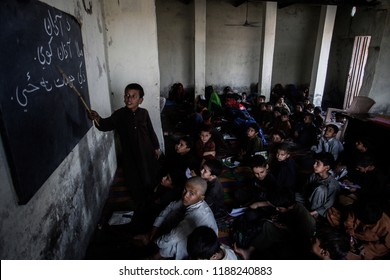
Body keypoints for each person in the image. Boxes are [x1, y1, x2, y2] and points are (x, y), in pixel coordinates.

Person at [88, 83, 161, 206]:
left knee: (149, 174)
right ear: (123, 97)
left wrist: (156, 147)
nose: (129, 99)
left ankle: (151, 197)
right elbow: (105, 125)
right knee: (133, 178)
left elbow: (150, 131)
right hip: (129, 154)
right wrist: (97, 118)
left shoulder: (144, 113)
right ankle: (139, 202)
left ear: (140, 100)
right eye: (127, 95)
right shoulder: (119, 114)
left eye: (133, 96)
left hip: (146, 151)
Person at [135, 176, 218, 260]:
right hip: (186, 233)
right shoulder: (190, 200)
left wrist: (153, 242)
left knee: (171, 244)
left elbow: (173, 237)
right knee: (172, 214)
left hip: (201, 246)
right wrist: (154, 229)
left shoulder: (196, 215)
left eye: (191, 193)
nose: (185, 195)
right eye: (185, 190)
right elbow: (169, 208)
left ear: (201, 198)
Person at [233, 189, 316, 260]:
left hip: (298, 243)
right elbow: (281, 214)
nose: (277, 209)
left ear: (289, 207)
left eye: (279, 208)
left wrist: (286, 229)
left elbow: (304, 242)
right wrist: (277, 219)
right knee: (267, 225)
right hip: (287, 231)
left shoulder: (305, 221)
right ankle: (248, 252)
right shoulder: (287, 203)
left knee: (281, 253)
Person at [303, 152, 340, 219]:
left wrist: (312, 212)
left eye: (318, 163)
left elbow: (328, 205)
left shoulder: (333, 184)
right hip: (309, 202)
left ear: (327, 167)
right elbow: (305, 190)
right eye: (314, 162)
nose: (314, 165)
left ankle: (315, 218)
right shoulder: (313, 176)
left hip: (321, 210)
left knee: (321, 189)